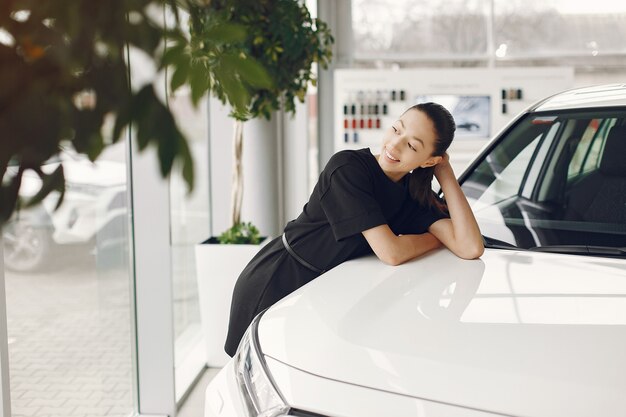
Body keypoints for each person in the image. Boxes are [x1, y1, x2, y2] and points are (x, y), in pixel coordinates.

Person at [224, 102, 484, 356]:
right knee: (252, 378)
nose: (394, 144)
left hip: (323, 295)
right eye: (396, 129)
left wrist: (445, 171)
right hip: (278, 280)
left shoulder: (412, 196)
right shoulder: (348, 168)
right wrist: (435, 239)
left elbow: (470, 246)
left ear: (428, 161)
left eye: (412, 145)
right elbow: (391, 252)